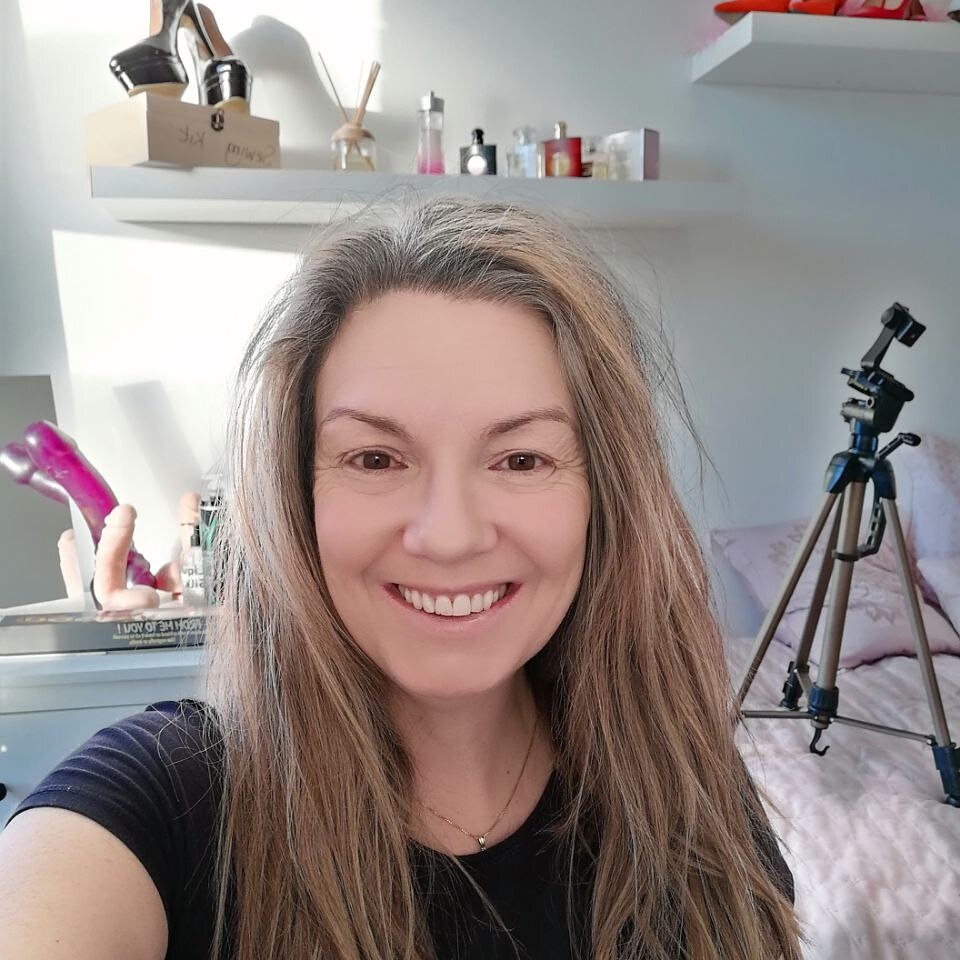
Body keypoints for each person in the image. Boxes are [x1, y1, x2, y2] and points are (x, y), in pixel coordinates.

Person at [0, 195, 802, 960]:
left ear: (606, 497)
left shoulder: (684, 785)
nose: (448, 537)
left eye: (521, 459)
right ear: (296, 493)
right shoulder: (158, 800)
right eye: (376, 459)